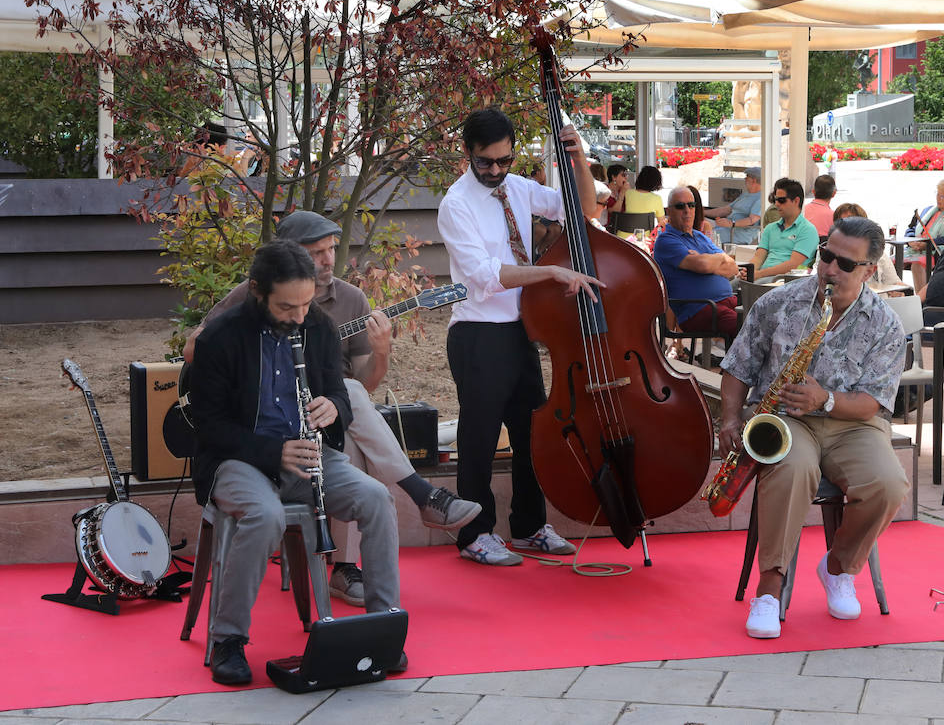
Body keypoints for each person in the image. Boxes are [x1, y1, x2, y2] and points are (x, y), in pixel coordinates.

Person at [183, 210, 480, 607]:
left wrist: (380, 353)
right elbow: (194, 353)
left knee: (355, 423)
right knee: (351, 434)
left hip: (321, 422)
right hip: (257, 431)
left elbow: (362, 386)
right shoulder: (249, 297)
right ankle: (411, 501)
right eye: (316, 252)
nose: (327, 260)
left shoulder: (346, 302)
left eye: (331, 250)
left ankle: (368, 599)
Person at [190, 240, 402, 684]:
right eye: (288, 307)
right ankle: (228, 639)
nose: (300, 316)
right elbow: (207, 426)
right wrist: (271, 451)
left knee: (377, 498)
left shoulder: (318, 328)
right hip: (239, 461)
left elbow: (341, 393)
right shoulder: (220, 338)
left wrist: (333, 409)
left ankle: (381, 629)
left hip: (309, 455)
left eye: (306, 304)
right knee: (264, 515)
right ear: (256, 292)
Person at [719, 216, 908, 639]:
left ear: (869, 271)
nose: (829, 269)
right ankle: (769, 589)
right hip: (787, 419)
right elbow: (737, 366)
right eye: (826, 255)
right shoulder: (778, 303)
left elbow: (874, 403)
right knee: (790, 470)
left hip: (853, 424)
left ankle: (838, 567)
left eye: (845, 264)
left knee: (889, 485)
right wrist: (730, 418)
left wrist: (826, 399)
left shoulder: (886, 324)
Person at [436, 107, 603, 565]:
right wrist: (550, 271)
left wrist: (579, 161)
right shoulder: (456, 204)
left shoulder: (519, 187)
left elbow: (584, 208)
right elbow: (485, 276)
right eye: (486, 162)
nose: (495, 170)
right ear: (467, 152)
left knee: (533, 434)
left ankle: (530, 526)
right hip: (477, 332)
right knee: (479, 439)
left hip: (520, 331)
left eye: (504, 161)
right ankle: (474, 534)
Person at [654, 186, 740, 344]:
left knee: (763, 317)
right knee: (746, 327)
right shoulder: (666, 240)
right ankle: (733, 368)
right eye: (680, 206)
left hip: (726, 301)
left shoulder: (701, 237)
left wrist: (707, 258)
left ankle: (734, 367)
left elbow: (732, 268)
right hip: (698, 309)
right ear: (669, 211)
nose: (687, 210)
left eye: (691, 205)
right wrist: (718, 258)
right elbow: (703, 266)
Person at [749, 178, 820, 280]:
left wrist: (760, 274)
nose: (777, 204)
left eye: (781, 200)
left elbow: (793, 265)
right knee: (730, 284)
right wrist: (748, 271)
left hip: (784, 281)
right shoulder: (770, 228)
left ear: (796, 201)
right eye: (775, 200)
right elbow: (758, 257)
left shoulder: (808, 230)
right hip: (763, 277)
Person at [904, 177, 944, 289]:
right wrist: (911, 240)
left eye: (942, 196)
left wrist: (928, 243)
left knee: (917, 264)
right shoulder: (927, 210)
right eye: (938, 194)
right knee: (887, 263)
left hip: (936, 253)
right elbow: (911, 228)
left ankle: (921, 302)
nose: (938, 199)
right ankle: (896, 298)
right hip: (913, 248)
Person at [833, 202, 903, 294]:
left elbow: (894, 283)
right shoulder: (830, 255)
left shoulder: (878, 255)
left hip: (880, 304)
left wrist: (902, 292)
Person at [704, 166, 763, 245]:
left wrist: (732, 223)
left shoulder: (760, 198)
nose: (744, 179)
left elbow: (752, 220)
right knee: (700, 228)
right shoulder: (745, 195)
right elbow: (725, 210)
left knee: (703, 236)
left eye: (747, 177)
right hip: (726, 229)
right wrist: (703, 212)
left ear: (754, 180)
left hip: (737, 234)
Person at [616, 165, 666, 238]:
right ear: (656, 182)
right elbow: (662, 224)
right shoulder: (657, 199)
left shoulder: (626, 193)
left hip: (622, 238)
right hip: (643, 241)